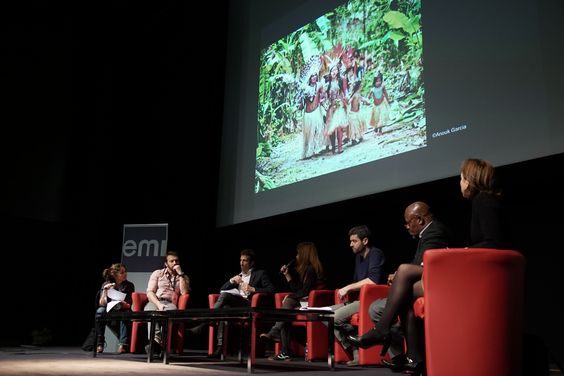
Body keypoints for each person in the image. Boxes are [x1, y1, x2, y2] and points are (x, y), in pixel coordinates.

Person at [347, 159, 504, 373]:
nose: (460, 183)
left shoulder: (483, 201)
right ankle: (413, 357)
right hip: (471, 273)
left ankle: (383, 332)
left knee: (404, 272)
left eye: (461, 178)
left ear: (470, 180)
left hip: (477, 278)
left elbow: (493, 244)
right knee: (407, 293)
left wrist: (461, 254)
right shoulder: (482, 201)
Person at [348, 202, 452, 371]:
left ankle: (381, 331)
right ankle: (412, 357)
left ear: (419, 220)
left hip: (440, 284)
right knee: (402, 297)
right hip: (426, 282)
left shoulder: (435, 232)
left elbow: (429, 265)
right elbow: (420, 263)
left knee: (392, 291)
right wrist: (398, 276)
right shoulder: (427, 233)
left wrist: (401, 274)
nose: (406, 226)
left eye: (408, 222)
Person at [260, 242, 326, 361]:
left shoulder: (312, 269)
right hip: (306, 301)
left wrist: (291, 296)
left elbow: (305, 292)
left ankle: (278, 337)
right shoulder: (306, 270)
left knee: (288, 305)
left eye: (298, 253)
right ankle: (281, 344)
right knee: (286, 312)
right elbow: (298, 290)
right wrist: (287, 275)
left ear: (305, 254)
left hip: (315, 303)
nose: (296, 256)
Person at [331, 225, 385, 366]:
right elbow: (357, 282)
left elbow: (373, 280)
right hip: (358, 300)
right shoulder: (358, 258)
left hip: (372, 301)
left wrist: (348, 288)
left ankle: (358, 350)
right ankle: (352, 346)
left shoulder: (375, 253)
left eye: (354, 241)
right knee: (324, 314)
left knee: (336, 317)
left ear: (365, 241)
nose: (350, 244)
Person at [211, 249, 275, 357]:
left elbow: (271, 290)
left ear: (251, 263)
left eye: (244, 261)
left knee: (225, 297)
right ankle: (220, 347)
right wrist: (231, 281)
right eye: (240, 260)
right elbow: (221, 290)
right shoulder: (239, 276)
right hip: (237, 305)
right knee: (225, 308)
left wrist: (253, 289)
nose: (241, 263)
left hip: (249, 305)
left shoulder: (260, 273)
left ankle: (210, 318)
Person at [144, 250, 190, 354]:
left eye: (176, 261)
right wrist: (158, 304)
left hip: (170, 304)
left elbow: (184, 292)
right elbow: (150, 292)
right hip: (155, 301)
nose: (175, 263)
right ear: (166, 263)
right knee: (150, 313)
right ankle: (157, 343)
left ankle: (154, 345)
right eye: (172, 261)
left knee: (167, 314)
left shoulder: (183, 277)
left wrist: (181, 274)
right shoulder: (157, 273)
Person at [94, 263, 135, 354]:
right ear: (115, 274)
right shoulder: (106, 284)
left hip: (123, 309)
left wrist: (123, 303)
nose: (125, 274)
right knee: (100, 311)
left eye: (125, 272)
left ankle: (122, 345)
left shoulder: (129, 285)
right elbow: (102, 304)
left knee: (126, 313)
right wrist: (105, 291)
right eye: (122, 272)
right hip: (110, 309)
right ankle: (100, 344)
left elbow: (129, 304)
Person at [368, 72, 391, 136]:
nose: (378, 82)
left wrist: (388, 100)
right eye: (377, 81)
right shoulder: (372, 89)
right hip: (376, 105)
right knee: (376, 117)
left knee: (382, 117)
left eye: (380, 81)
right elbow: (368, 96)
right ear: (374, 81)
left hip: (382, 104)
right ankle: (376, 127)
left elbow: (386, 94)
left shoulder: (382, 87)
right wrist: (369, 97)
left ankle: (380, 130)